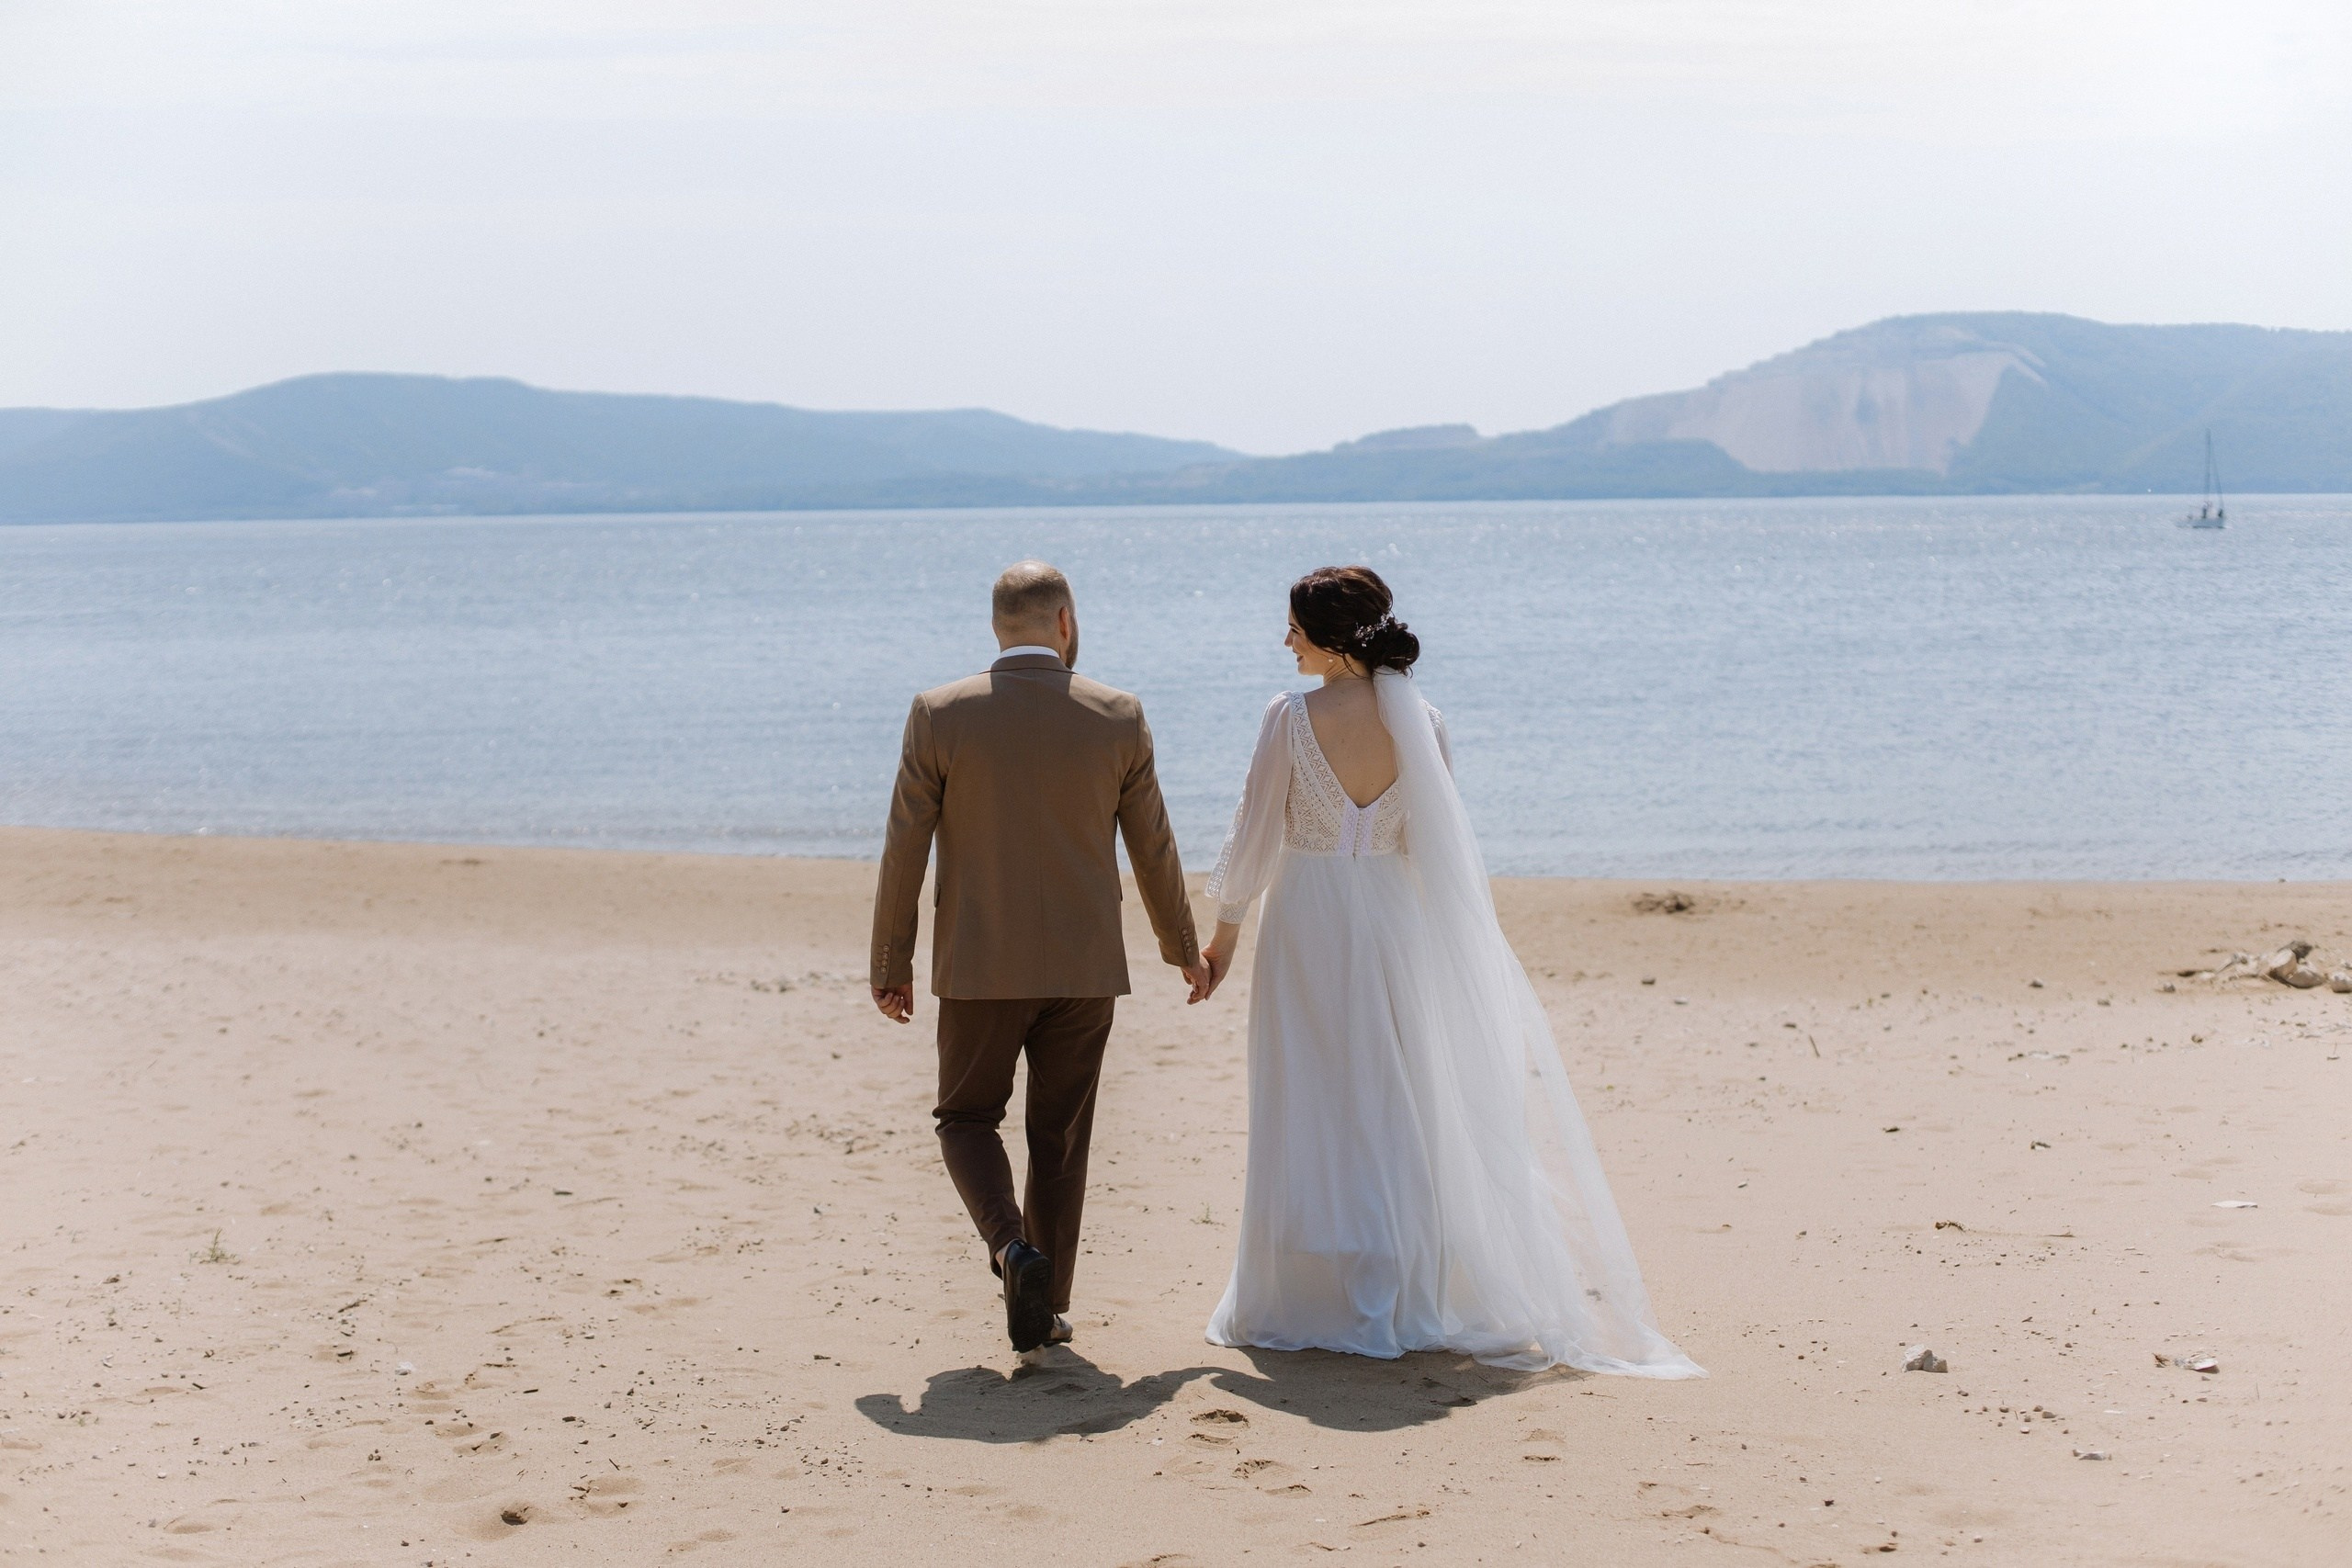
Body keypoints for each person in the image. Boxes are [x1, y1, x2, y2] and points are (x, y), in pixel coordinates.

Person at [1196, 566, 1700, 1376]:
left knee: (1312, 1092)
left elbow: (1254, 835)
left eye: (1291, 625)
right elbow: (1440, 851)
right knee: (1401, 1096)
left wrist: (1220, 941)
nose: (1283, 639)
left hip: (1309, 923)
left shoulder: (1289, 718)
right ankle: (1400, 1281)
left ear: (1328, 635)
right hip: (1399, 924)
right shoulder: (1424, 721)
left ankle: (1312, 1289)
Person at [871, 561, 1210, 1353]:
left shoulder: (939, 713)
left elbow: (903, 848)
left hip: (978, 965)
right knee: (1059, 1136)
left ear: (998, 627)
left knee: (965, 1116)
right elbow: (1153, 846)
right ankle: (1046, 1305)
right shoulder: (1117, 714)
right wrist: (1182, 948)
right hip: (1085, 969)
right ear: (1066, 622)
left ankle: (1010, 1247)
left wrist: (893, 959)